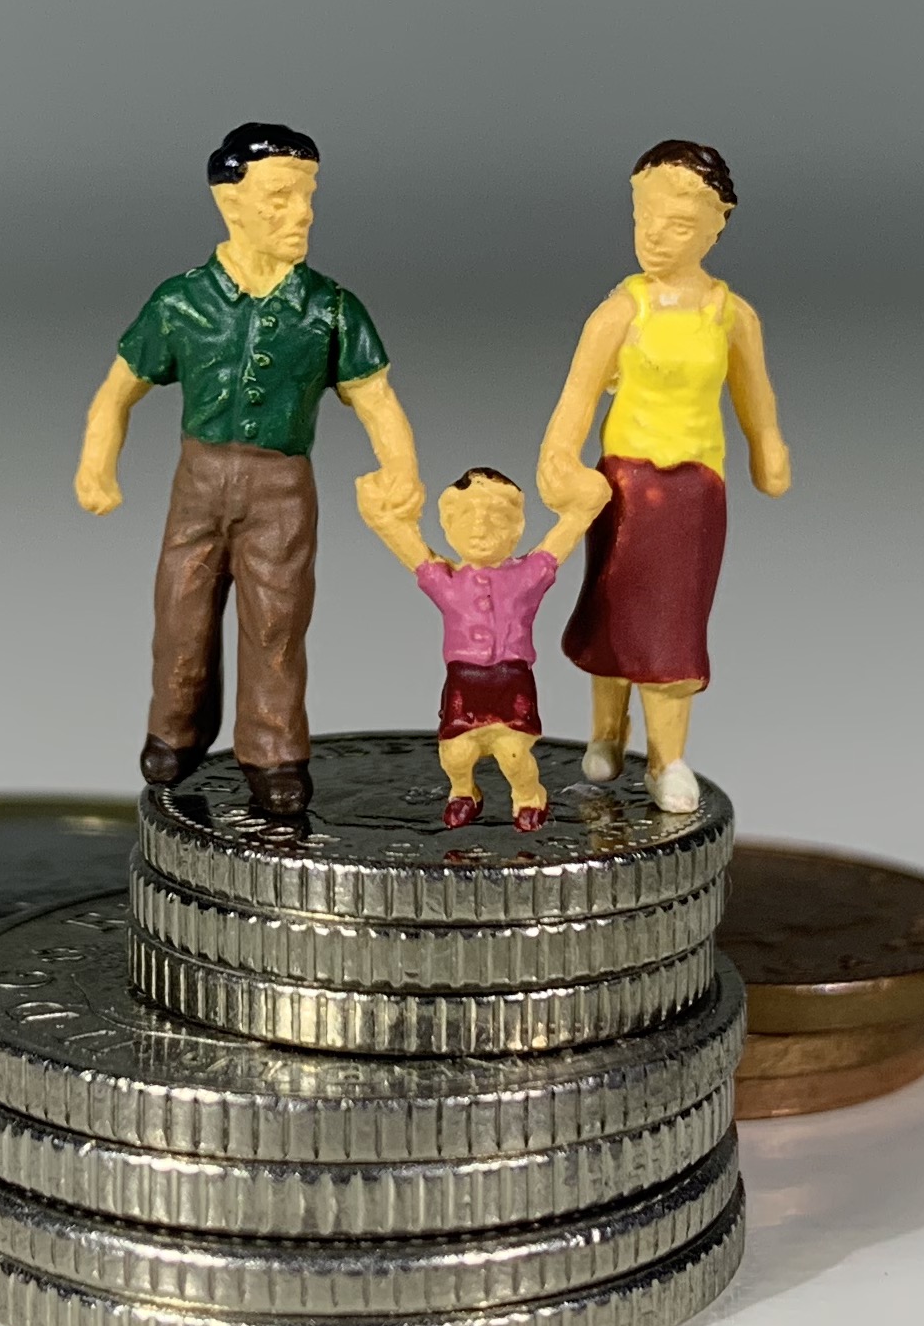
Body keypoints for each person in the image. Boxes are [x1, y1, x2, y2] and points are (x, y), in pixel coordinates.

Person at [76, 124, 423, 820]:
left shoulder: (327, 309)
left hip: (280, 490)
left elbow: (375, 397)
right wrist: (96, 463)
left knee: (276, 623)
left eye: (308, 197)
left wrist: (401, 468)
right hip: (197, 483)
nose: (303, 213)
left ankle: (272, 751)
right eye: (281, 197)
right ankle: (174, 731)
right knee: (180, 611)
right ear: (229, 203)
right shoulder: (182, 302)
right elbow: (119, 389)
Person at [534, 138, 790, 817]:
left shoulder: (731, 317)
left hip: (693, 494)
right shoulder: (620, 312)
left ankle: (670, 759)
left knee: (674, 629)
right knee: (614, 612)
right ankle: (606, 732)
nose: (656, 238)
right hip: (623, 491)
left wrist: (769, 447)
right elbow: (577, 400)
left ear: (717, 226)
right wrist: (558, 459)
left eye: (677, 225)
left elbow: (754, 396)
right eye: (644, 220)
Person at [353, 465, 604, 827]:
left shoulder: (527, 578)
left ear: (517, 525)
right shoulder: (448, 582)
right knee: (454, 754)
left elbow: (558, 544)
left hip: (511, 680)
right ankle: (462, 791)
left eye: (496, 517)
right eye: (467, 517)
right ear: (448, 528)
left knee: (514, 752)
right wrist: (381, 518)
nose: (481, 527)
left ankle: (528, 794)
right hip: (464, 682)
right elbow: (412, 552)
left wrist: (584, 511)